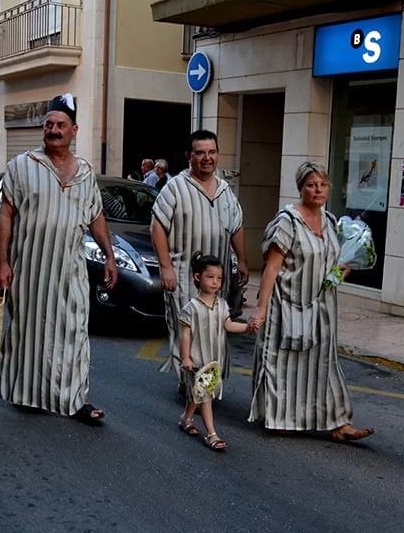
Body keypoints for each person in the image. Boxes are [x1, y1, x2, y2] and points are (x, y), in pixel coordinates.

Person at [0, 93, 118, 424]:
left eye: (60, 125)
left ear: (73, 130)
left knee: (74, 332)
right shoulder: (21, 166)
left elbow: (96, 216)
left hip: (71, 271)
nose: (53, 130)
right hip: (29, 271)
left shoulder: (86, 172)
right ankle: (27, 395)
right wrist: (2, 262)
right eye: (49, 124)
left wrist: (109, 255)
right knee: (29, 334)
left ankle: (75, 400)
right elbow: (5, 215)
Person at [247, 162, 373, 442]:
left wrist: (342, 269)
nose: (318, 190)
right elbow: (271, 268)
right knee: (285, 363)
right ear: (300, 188)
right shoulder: (287, 221)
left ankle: (339, 421)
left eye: (323, 185)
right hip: (287, 304)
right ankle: (279, 417)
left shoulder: (329, 221)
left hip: (321, 306)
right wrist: (261, 308)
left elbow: (330, 260)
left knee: (323, 365)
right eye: (311, 185)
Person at [151, 130, 248, 395]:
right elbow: (157, 226)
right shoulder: (175, 187)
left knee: (214, 328)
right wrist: (165, 267)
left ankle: (204, 381)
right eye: (200, 153)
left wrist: (242, 261)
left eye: (212, 152)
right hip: (183, 274)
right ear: (189, 156)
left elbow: (237, 227)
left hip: (217, 278)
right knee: (189, 329)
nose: (207, 158)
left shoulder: (226, 190)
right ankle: (191, 381)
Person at [178, 252, 249, 451]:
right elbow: (185, 335)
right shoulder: (191, 308)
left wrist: (247, 327)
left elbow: (228, 325)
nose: (216, 282)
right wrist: (185, 357)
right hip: (198, 360)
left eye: (219, 278)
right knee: (206, 395)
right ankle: (212, 434)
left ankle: (186, 418)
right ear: (198, 277)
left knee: (198, 393)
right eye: (210, 277)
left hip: (214, 359)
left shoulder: (222, 305)